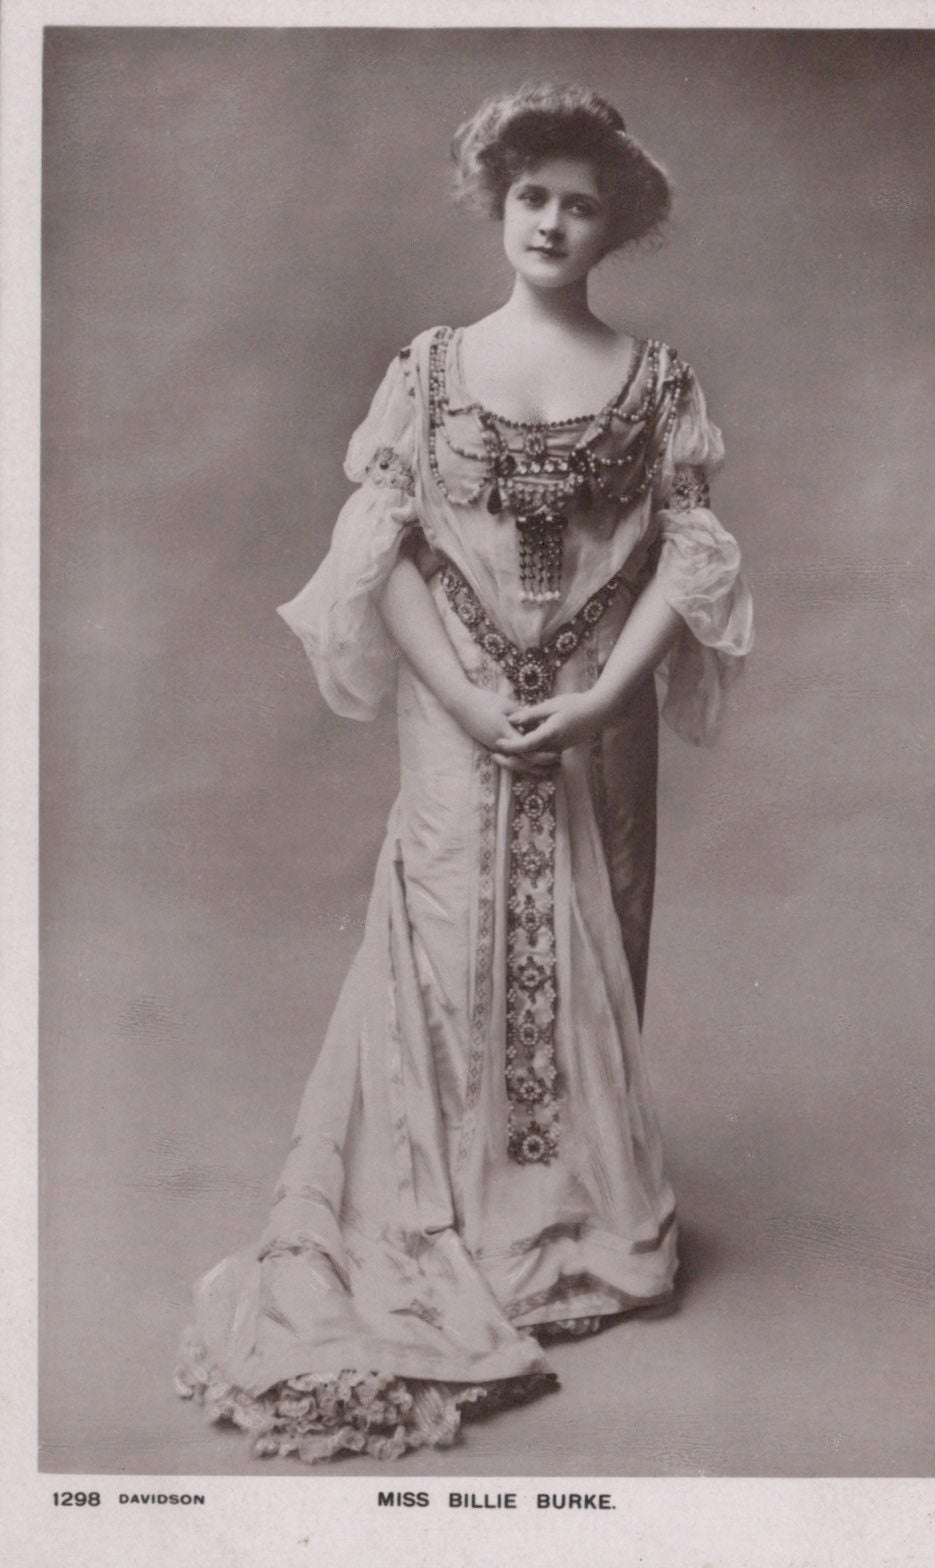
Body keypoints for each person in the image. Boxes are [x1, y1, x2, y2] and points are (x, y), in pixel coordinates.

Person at [176, 82, 754, 1463]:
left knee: (586, 933)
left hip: (595, 719)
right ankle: (453, 1224)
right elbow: (371, 565)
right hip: (453, 718)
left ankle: (575, 1232)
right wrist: (467, 696)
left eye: (579, 200)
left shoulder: (656, 379)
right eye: (532, 195)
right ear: (498, 208)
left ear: (613, 223)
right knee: (447, 943)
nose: (553, 219)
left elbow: (689, 555)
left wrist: (601, 694)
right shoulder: (429, 369)